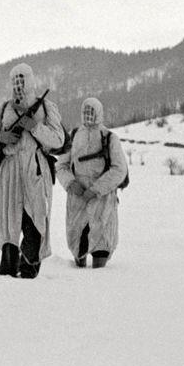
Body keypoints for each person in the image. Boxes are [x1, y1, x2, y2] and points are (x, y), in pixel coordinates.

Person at [0, 63, 63, 279]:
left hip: (36, 169)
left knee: (36, 216)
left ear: (30, 81)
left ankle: (30, 264)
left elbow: (58, 139)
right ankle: (9, 268)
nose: (19, 84)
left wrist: (34, 127)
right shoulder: (3, 108)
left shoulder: (46, 107)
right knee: (10, 219)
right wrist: (0, 138)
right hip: (10, 170)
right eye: (15, 80)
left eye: (22, 79)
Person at [55, 97, 128, 268]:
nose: (88, 115)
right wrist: (71, 184)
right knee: (78, 242)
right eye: (86, 111)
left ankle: (98, 284)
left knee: (102, 241)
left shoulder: (110, 138)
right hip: (77, 200)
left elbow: (119, 169)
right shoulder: (74, 136)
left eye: (92, 111)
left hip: (102, 201)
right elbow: (61, 165)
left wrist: (96, 190)